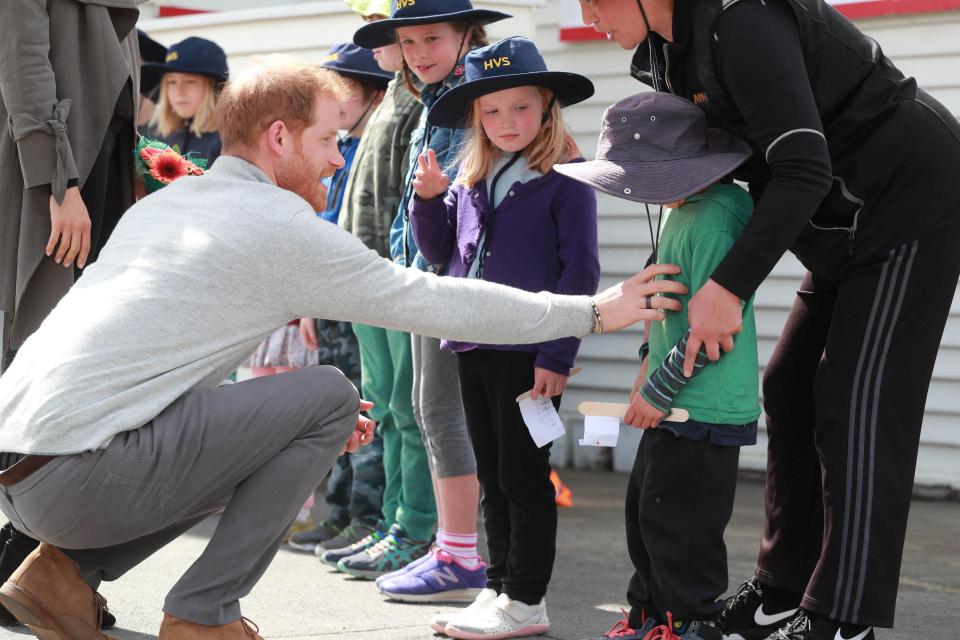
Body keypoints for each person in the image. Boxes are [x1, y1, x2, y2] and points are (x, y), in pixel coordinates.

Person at [0, 54, 684, 640]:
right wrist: (594, 311)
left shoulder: (165, 208)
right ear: (278, 137)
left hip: (23, 473)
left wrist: (274, 430)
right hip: (81, 475)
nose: (337, 156)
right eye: (329, 139)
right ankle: (204, 613)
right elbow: (434, 297)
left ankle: (61, 576)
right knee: (329, 392)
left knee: (309, 416)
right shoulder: (279, 227)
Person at [577, 0, 960, 638]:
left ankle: (842, 616)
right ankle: (781, 592)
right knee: (789, 385)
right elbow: (703, 169)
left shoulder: (743, 22)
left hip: (910, 204)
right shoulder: (666, 50)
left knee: (856, 399)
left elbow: (802, 166)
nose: (587, 14)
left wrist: (728, 285)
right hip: (843, 225)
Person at [410, 37, 599, 639]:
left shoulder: (565, 180)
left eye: (520, 107)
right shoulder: (471, 179)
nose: (506, 122)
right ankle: (497, 588)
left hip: (529, 352)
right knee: (492, 475)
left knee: (524, 477)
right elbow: (441, 254)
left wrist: (557, 354)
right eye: (491, 111)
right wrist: (430, 201)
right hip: (474, 344)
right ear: (476, 119)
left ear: (547, 107)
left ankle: (527, 600)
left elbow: (582, 273)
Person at [555, 91, 759, 640]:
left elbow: (711, 330)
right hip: (677, 399)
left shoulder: (713, 221)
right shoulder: (687, 212)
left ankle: (691, 624)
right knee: (647, 514)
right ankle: (650, 617)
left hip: (702, 404)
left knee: (681, 529)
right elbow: (667, 297)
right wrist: (648, 362)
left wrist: (658, 389)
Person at [336, 0, 510, 585]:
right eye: (408, 43)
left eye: (431, 39)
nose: (418, 54)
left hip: (454, 281)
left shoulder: (480, 90)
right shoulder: (427, 96)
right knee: (418, 409)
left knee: (443, 414)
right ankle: (436, 542)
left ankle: (450, 547)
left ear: (466, 33)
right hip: (415, 273)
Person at [0, 0, 143, 629]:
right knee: (29, 370)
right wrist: (58, 182)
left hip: (98, 171)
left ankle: (37, 574)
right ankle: (23, 572)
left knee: (76, 378)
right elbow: (23, 59)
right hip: (54, 183)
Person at [325, 2, 429, 564]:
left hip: (396, 280)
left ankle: (415, 529)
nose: (387, 46)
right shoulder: (394, 93)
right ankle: (392, 522)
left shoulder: (424, 100)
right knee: (387, 408)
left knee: (412, 414)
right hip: (364, 279)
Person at [287, 41, 393, 554]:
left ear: (373, 93)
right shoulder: (337, 146)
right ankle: (342, 509)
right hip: (327, 297)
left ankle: (367, 514)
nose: (330, 100)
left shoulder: (370, 146)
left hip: (360, 296)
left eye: (342, 90)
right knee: (336, 409)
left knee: (363, 408)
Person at [142, 37, 228, 168]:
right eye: (172, 82)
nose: (179, 91)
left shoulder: (227, 144)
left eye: (190, 81)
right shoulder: (163, 139)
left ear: (215, 89)